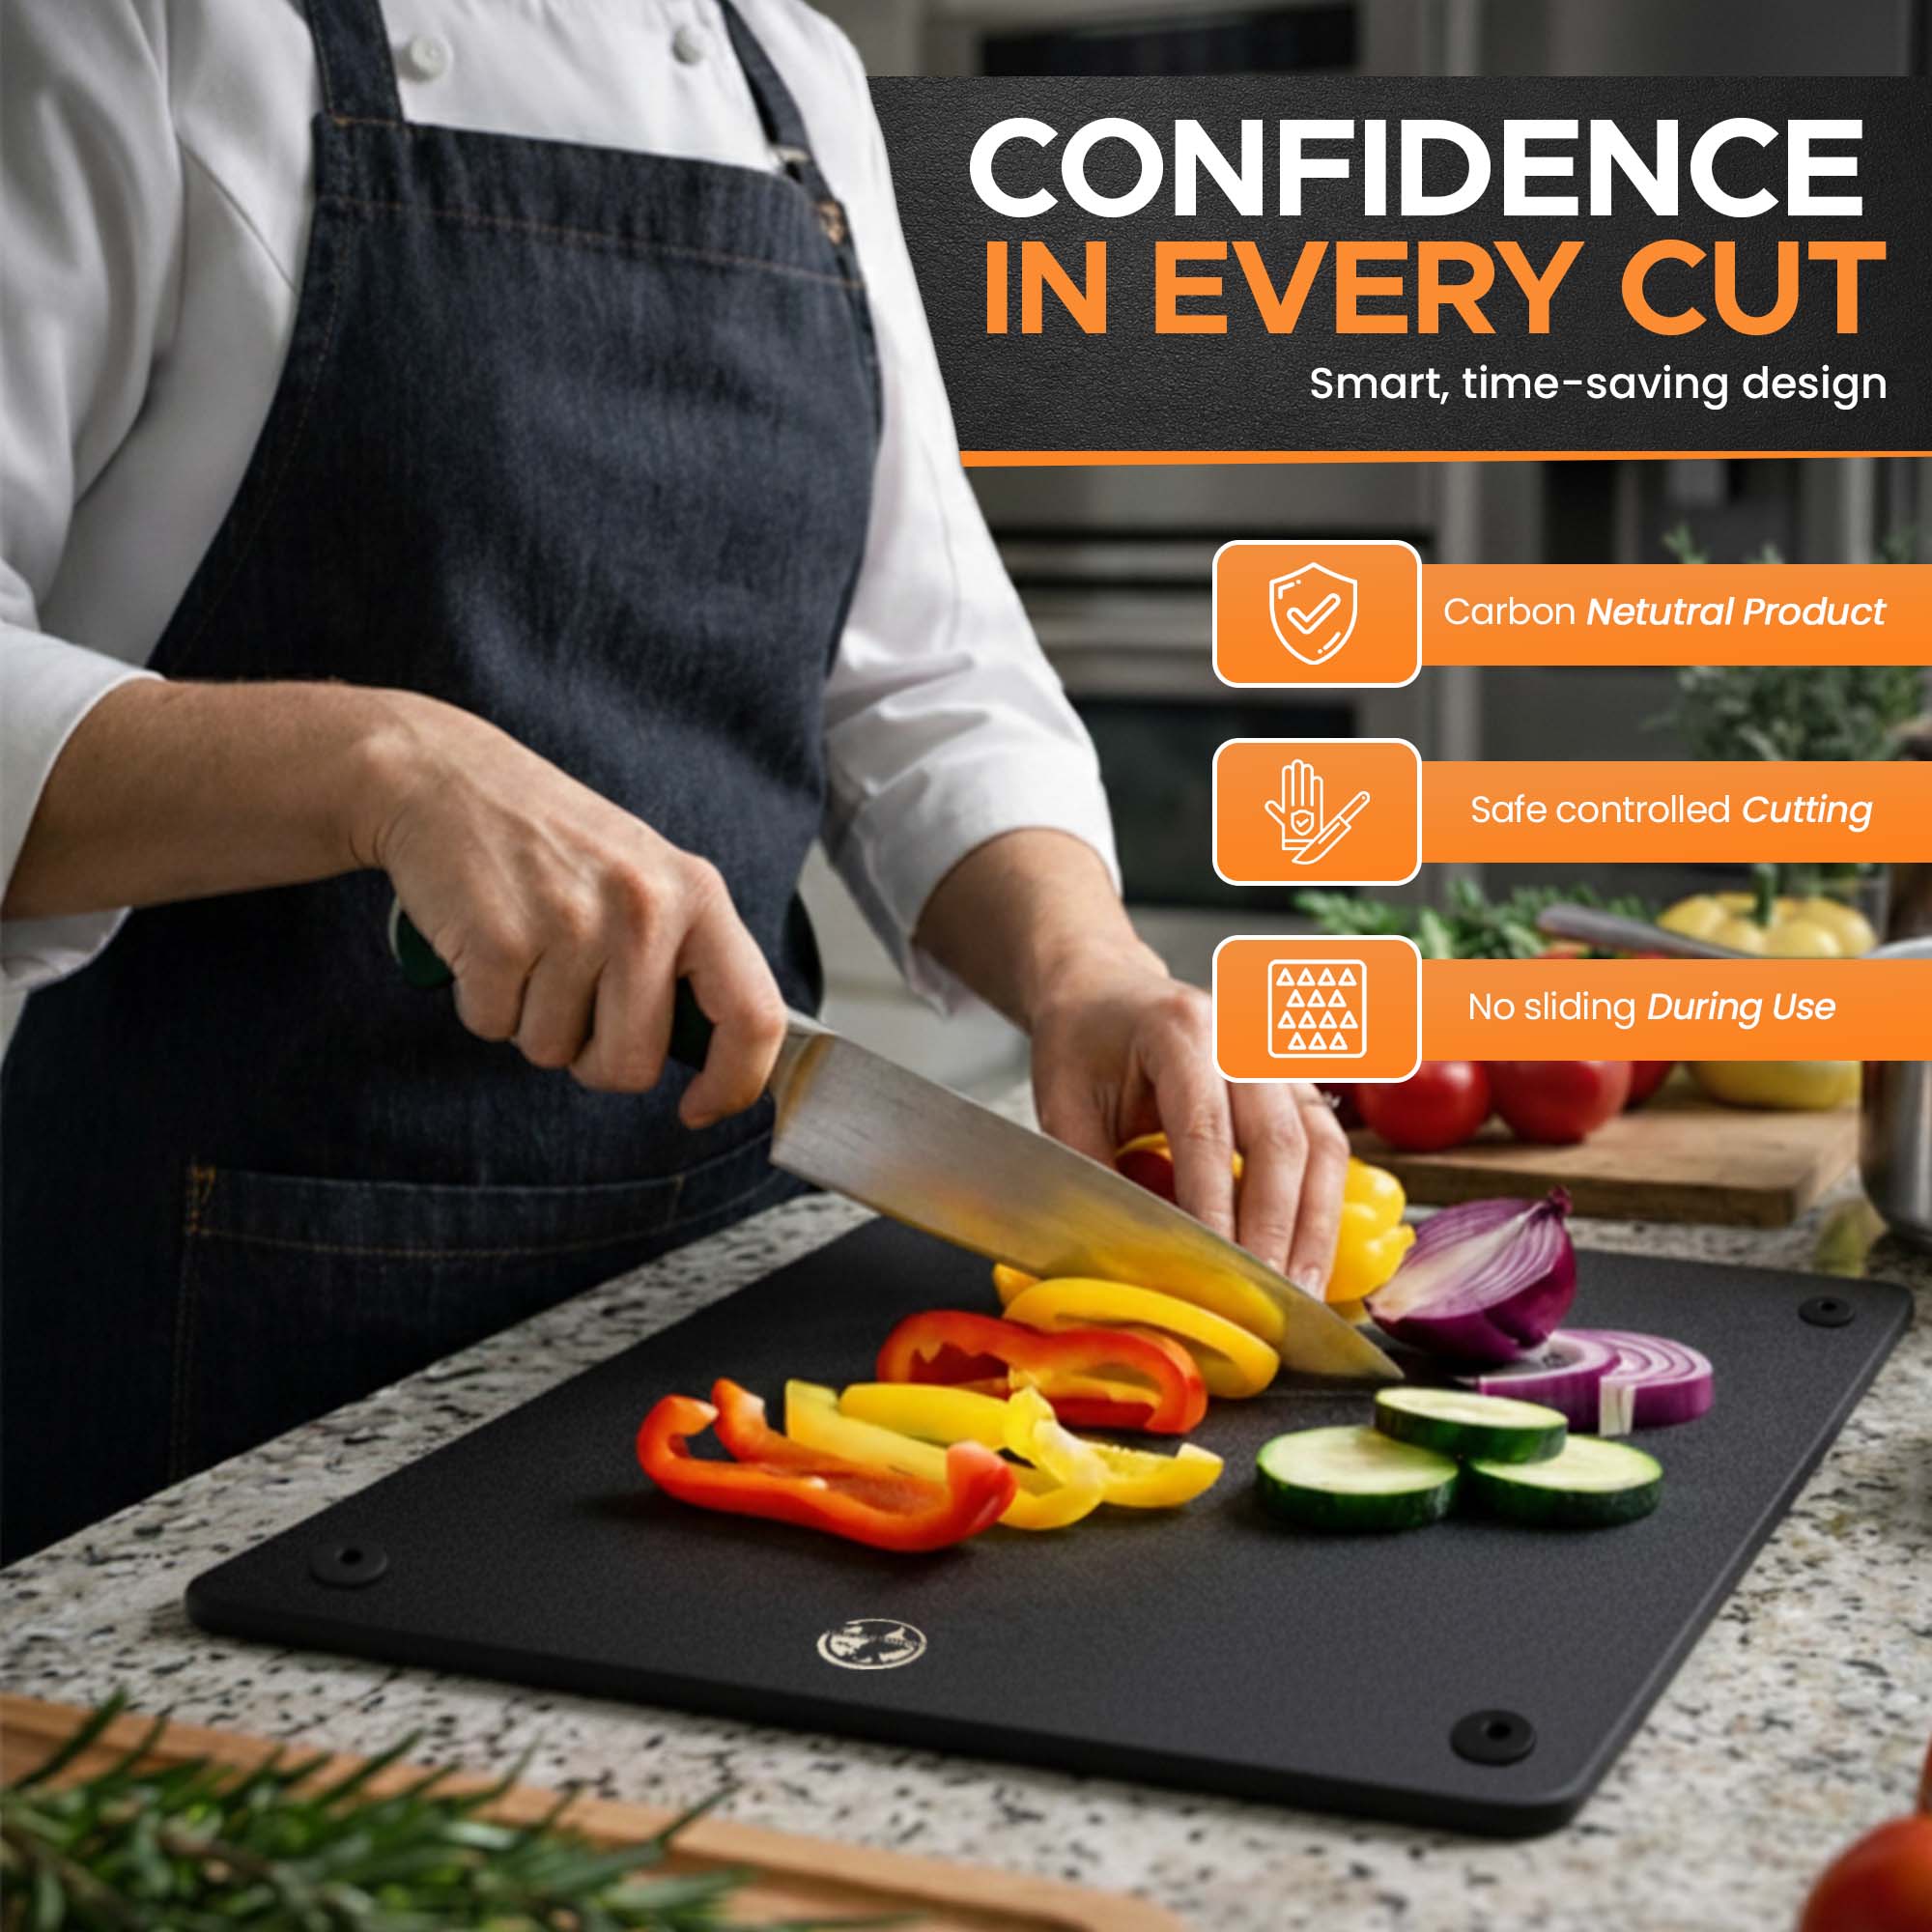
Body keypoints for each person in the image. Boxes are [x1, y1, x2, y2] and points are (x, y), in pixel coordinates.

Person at [0, 0, 1348, 1561]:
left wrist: (1085, 968)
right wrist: (387, 765)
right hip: (219, 1323)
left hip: (713, 1292)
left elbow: (926, 681)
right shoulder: (129, 24)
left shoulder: (796, 74)